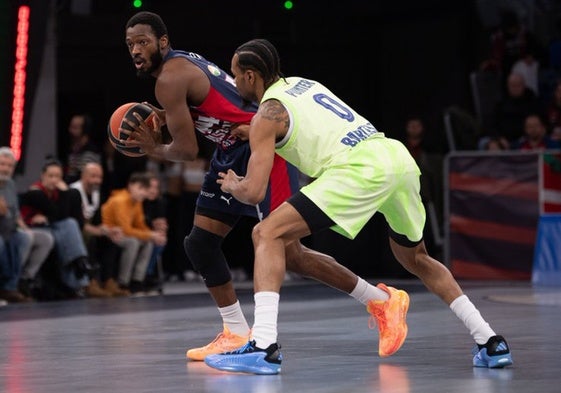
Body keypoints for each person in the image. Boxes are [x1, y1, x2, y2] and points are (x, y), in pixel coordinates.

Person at [204, 38, 513, 375]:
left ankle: (263, 345)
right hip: (395, 158)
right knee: (418, 258)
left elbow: (253, 191)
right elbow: (302, 126)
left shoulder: (267, 113)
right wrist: (253, 131)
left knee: (266, 233)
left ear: (250, 76)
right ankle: (490, 341)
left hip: (357, 169)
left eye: (235, 76)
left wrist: (234, 184)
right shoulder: (303, 85)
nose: (233, 83)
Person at [123, 11, 402, 361]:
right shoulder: (179, 67)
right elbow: (213, 107)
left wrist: (152, 149)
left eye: (143, 42)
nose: (135, 49)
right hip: (230, 149)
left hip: (258, 146)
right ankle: (236, 332)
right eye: (130, 44)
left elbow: (187, 149)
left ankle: (380, 302)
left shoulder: (169, 77)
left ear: (163, 42)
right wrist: (169, 115)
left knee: (290, 254)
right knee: (201, 243)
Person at [19, 157, 98, 299]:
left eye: (58, 176)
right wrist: (65, 193)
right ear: (43, 176)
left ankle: (79, 265)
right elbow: (56, 213)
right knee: (68, 227)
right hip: (34, 229)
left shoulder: (58, 194)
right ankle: (81, 264)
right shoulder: (36, 192)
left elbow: (74, 218)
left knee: (70, 226)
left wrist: (64, 194)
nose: (54, 180)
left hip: (55, 229)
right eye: (50, 176)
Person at [101, 171, 166, 294]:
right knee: (133, 242)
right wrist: (150, 234)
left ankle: (137, 281)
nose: (142, 192)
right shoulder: (120, 200)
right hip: (109, 233)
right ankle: (123, 282)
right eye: (140, 188)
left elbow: (140, 225)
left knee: (148, 242)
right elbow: (125, 229)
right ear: (130, 185)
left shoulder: (136, 202)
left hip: (122, 234)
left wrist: (154, 236)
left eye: (145, 189)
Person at [70, 162, 126, 297]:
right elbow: (77, 222)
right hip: (74, 231)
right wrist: (98, 231)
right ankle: (90, 281)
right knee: (92, 239)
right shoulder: (73, 192)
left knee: (110, 239)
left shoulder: (96, 193)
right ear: (83, 176)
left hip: (88, 228)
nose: (97, 181)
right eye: (93, 176)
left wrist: (109, 230)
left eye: (99, 177)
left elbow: (98, 222)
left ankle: (108, 281)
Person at [0, 147, 33, 303]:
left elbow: (15, 213)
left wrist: (26, 229)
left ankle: (12, 286)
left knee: (25, 238)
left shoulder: (11, 184)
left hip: (9, 228)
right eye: (2, 164)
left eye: (9, 166)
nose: (5, 169)